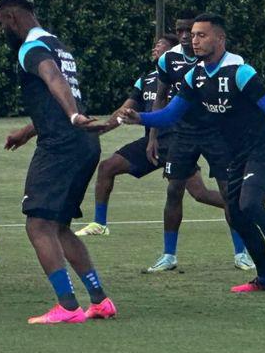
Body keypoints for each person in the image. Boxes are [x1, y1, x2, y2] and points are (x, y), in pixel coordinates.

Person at [121, 13, 265, 293]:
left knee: (250, 205)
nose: (194, 40)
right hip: (237, 154)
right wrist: (140, 119)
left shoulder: (240, 71)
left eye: (201, 35)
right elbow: (170, 115)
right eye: (192, 35)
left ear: (220, 38)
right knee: (237, 214)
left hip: (263, 151)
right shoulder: (196, 75)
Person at [0, 0, 116, 324]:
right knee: (59, 226)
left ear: (12, 17)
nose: (1, 30)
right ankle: (100, 300)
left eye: (1, 22)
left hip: (62, 144)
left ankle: (67, 306)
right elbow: (54, 95)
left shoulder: (32, 48)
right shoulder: (57, 44)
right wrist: (29, 129)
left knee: (37, 224)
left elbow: (53, 79)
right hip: (83, 144)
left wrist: (74, 115)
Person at [76, 34, 231, 240]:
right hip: (151, 142)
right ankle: (99, 223)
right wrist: (102, 128)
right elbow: (125, 110)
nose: (155, 50)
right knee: (107, 167)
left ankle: (239, 208)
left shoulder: (186, 77)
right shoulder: (145, 80)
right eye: (155, 46)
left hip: (177, 143)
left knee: (199, 193)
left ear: (173, 52)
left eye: (161, 46)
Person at [145, 10, 249, 272]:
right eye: (180, 31)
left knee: (229, 192)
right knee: (174, 190)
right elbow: (161, 97)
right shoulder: (168, 60)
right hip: (183, 134)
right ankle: (168, 255)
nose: (184, 37)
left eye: (190, 32)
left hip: (217, 133)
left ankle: (241, 252)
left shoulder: (224, 60)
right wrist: (152, 137)